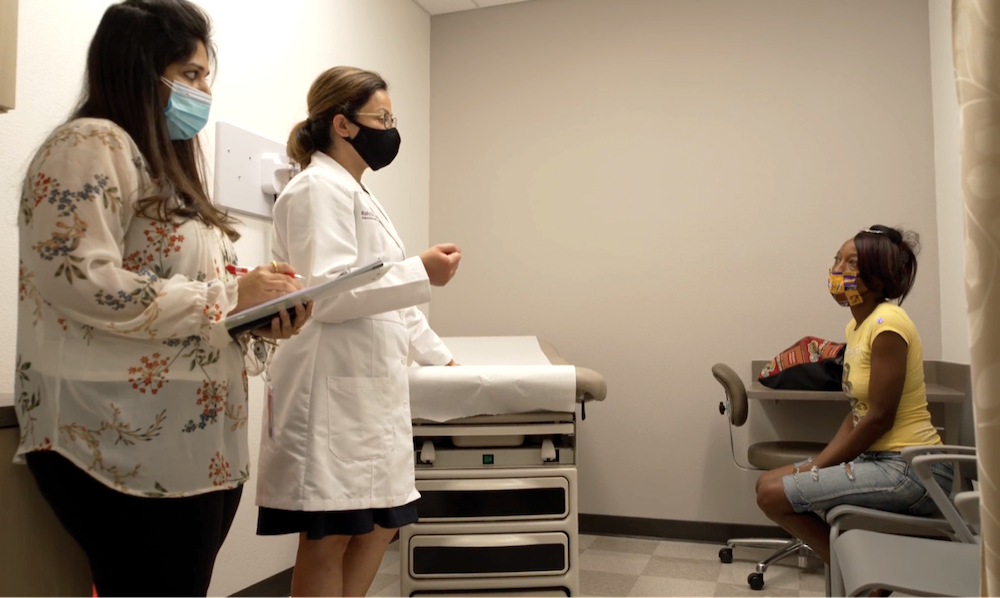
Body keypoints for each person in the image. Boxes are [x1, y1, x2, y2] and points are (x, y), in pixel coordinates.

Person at [14, 2, 311, 596]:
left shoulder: (166, 170)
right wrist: (229, 298)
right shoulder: (90, 144)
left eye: (207, 77)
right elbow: (77, 278)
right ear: (138, 67)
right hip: (115, 439)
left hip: (191, 446)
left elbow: (196, 295)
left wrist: (257, 315)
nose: (204, 90)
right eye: (191, 73)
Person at [255, 66, 462, 598]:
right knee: (330, 537)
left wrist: (439, 359)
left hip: (368, 391)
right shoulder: (314, 189)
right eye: (383, 117)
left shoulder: (358, 195)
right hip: (330, 390)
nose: (392, 129)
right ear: (343, 125)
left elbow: (395, 299)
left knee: (380, 524)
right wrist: (420, 270)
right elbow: (328, 294)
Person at [755, 225, 953, 597]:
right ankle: (864, 574)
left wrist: (817, 466)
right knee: (765, 485)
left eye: (851, 263)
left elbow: (880, 417)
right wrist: (819, 462)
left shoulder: (888, 323)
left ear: (877, 277)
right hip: (881, 460)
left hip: (912, 470)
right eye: (836, 260)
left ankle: (864, 577)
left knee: (772, 495)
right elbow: (858, 413)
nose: (837, 269)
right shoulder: (857, 326)